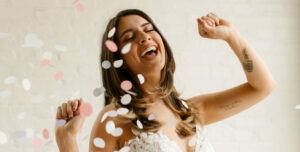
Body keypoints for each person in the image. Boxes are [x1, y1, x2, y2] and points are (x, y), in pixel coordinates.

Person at [55, 9, 277, 152]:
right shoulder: (115, 119)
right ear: (119, 62)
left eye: (149, 29)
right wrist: (67, 142)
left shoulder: (193, 112)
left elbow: (263, 87)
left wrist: (231, 36)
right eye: (129, 38)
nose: (145, 37)